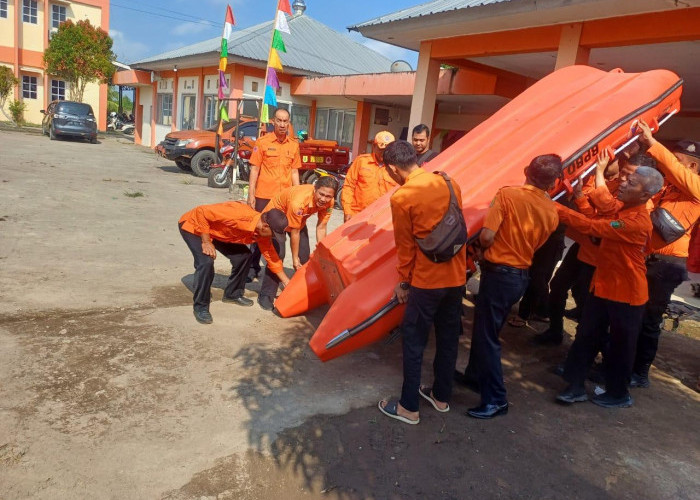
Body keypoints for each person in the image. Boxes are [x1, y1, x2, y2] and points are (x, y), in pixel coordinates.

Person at [457, 155, 562, 419]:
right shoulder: (552, 210)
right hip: (518, 276)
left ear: (526, 171)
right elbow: (538, 244)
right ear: (553, 182)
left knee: (487, 337)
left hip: (499, 275)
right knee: (486, 330)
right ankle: (473, 376)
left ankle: (496, 399)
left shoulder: (507, 195)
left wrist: (480, 250)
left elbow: (487, 235)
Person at [555, 166, 664, 408]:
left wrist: (555, 207)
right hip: (602, 286)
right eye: (626, 178)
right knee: (586, 336)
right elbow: (599, 211)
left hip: (627, 295)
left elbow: (594, 227)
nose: (624, 183)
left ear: (646, 195)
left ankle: (618, 393)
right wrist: (582, 193)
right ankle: (574, 386)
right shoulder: (621, 209)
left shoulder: (636, 223)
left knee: (620, 346)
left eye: (632, 182)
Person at [377, 140, 466, 425]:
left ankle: (408, 407)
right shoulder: (450, 183)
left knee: (414, 341)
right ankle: (440, 397)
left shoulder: (402, 197)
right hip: (456, 278)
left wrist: (404, 282)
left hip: (427, 282)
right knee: (448, 338)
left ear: (392, 169)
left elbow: (405, 247)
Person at [630, 121, 700, 388]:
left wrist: (653, 144)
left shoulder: (695, 189)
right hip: (646, 257)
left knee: (649, 319)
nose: (669, 165)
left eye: (677, 160)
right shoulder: (668, 188)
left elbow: (673, 169)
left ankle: (640, 371)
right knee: (632, 314)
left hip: (666, 264)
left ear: (692, 167)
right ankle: (623, 363)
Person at [179, 202, 289, 324]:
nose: (273, 238)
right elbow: (201, 212)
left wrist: (286, 282)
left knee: (244, 257)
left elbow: (272, 257)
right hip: (194, 226)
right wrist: (205, 241)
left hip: (217, 232)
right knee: (206, 262)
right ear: (265, 226)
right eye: (274, 234)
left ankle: (233, 294)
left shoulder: (261, 233)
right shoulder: (240, 215)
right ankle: (201, 306)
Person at [257, 176, 339, 310]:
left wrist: (324, 252)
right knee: (278, 254)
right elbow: (294, 231)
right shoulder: (299, 201)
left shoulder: (329, 203)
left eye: (328, 196)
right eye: (321, 194)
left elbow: (321, 228)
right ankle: (266, 294)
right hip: (277, 218)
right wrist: (295, 259)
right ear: (315, 190)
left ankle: (300, 293)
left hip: (298, 221)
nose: (324, 199)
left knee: (305, 257)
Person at [247, 108, 302, 278]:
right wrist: (251, 195)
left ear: (289, 123)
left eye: (286, 121)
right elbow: (254, 170)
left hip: (284, 198)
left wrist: (297, 195)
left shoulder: (294, 145)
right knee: (259, 231)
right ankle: (251, 268)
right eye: (279, 120)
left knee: (280, 233)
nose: (283, 124)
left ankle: (276, 265)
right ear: (273, 121)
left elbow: (294, 172)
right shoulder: (262, 142)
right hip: (264, 195)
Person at [341, 131, 397, 221]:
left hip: (382, 218)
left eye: (388, 150)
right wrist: (347, 211)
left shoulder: (396, 167)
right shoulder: (361, 161)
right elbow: (348, 186)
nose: (385, 153)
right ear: (374, 146)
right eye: (381, 149)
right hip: (357, 216)